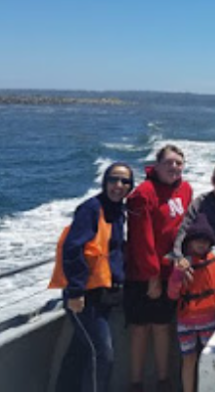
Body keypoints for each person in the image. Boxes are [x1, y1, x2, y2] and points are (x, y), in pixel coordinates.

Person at [51, 162, 134, 392]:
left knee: (80, 352)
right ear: (105, 181)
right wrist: (76, 292)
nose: (119, 185)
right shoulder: (91, 208)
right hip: (84, 297)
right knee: (102, 354)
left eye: (125, 181)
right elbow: (72, 249)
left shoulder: (118, 212)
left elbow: (114, 250)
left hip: (103, 295)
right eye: (113, 179)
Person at [124, 144, 193, 391]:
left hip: (170, 271)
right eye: (169, 162)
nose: (174, 167)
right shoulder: (143, 194)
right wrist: (152, 277)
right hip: (144, 275)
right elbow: (141, 240)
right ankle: (136, 383)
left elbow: (185, 228)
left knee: (163, 326)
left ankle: (163, 381)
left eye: (178, 163)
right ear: (158, 165)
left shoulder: (185, 189)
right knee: (141, 329)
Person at [168, 213, 215, 392]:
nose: (201, 243)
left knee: (209, 358)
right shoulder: (182, 265)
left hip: (209, 320)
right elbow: (172, 294)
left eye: (205, 240)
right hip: (185, 322)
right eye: (197, 239)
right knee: (188, 360)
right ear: (189, 242)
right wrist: (177, 275)